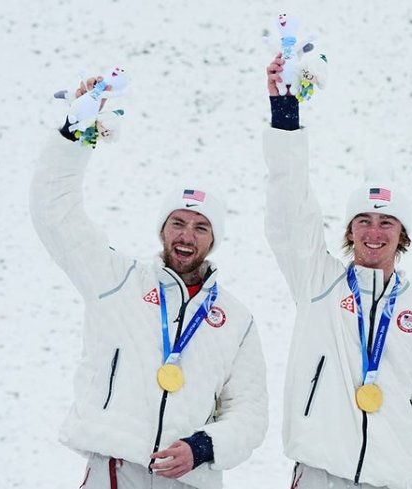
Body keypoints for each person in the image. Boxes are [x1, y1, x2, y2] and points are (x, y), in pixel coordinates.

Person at [30, 75, 268, 489]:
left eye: (200, 227)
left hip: (188, 479)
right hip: (115, 471)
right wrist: (74, 133)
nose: (186, 236)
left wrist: (203, 447)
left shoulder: (236, 320)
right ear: (162, 229)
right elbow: (55, 214)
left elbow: (250, 414)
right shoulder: (116, 281)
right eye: (177, 222)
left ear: (214, 240)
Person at [263, 55, 412, 489]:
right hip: (321, 475)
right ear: (349, 230)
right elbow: (290, 210)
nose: (374, 233)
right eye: (364, 221)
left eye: (386, 223)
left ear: (403, 235)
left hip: (394, 481)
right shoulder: (318, 284)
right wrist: (285, 120)